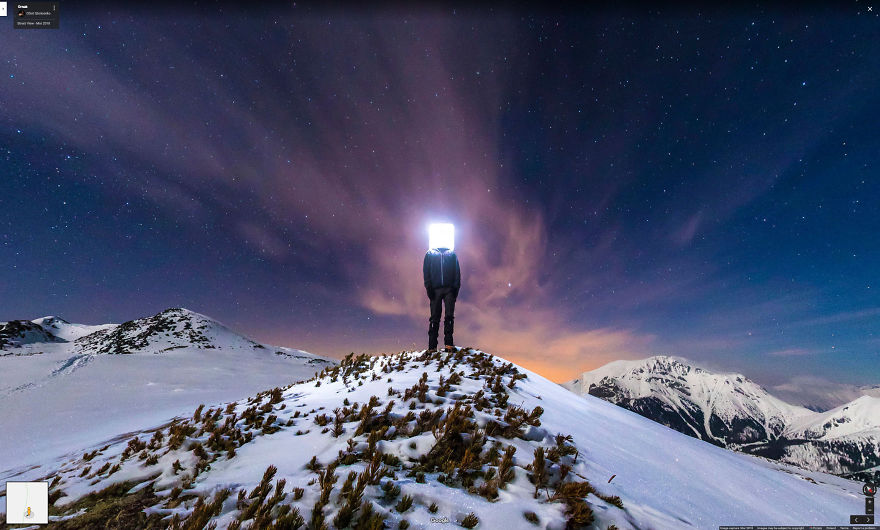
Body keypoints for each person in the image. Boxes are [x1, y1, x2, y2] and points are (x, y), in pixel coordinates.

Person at [423, 245, 461, 351]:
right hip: (434, 290)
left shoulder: (452, 254)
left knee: (449, 316)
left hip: (449, 289)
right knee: (434, 318)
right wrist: (428, 287)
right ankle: (432, 346)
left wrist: (455, 288)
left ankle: (449, 344)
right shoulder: (430, 253)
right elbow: (426, 271)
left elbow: (457, 271)